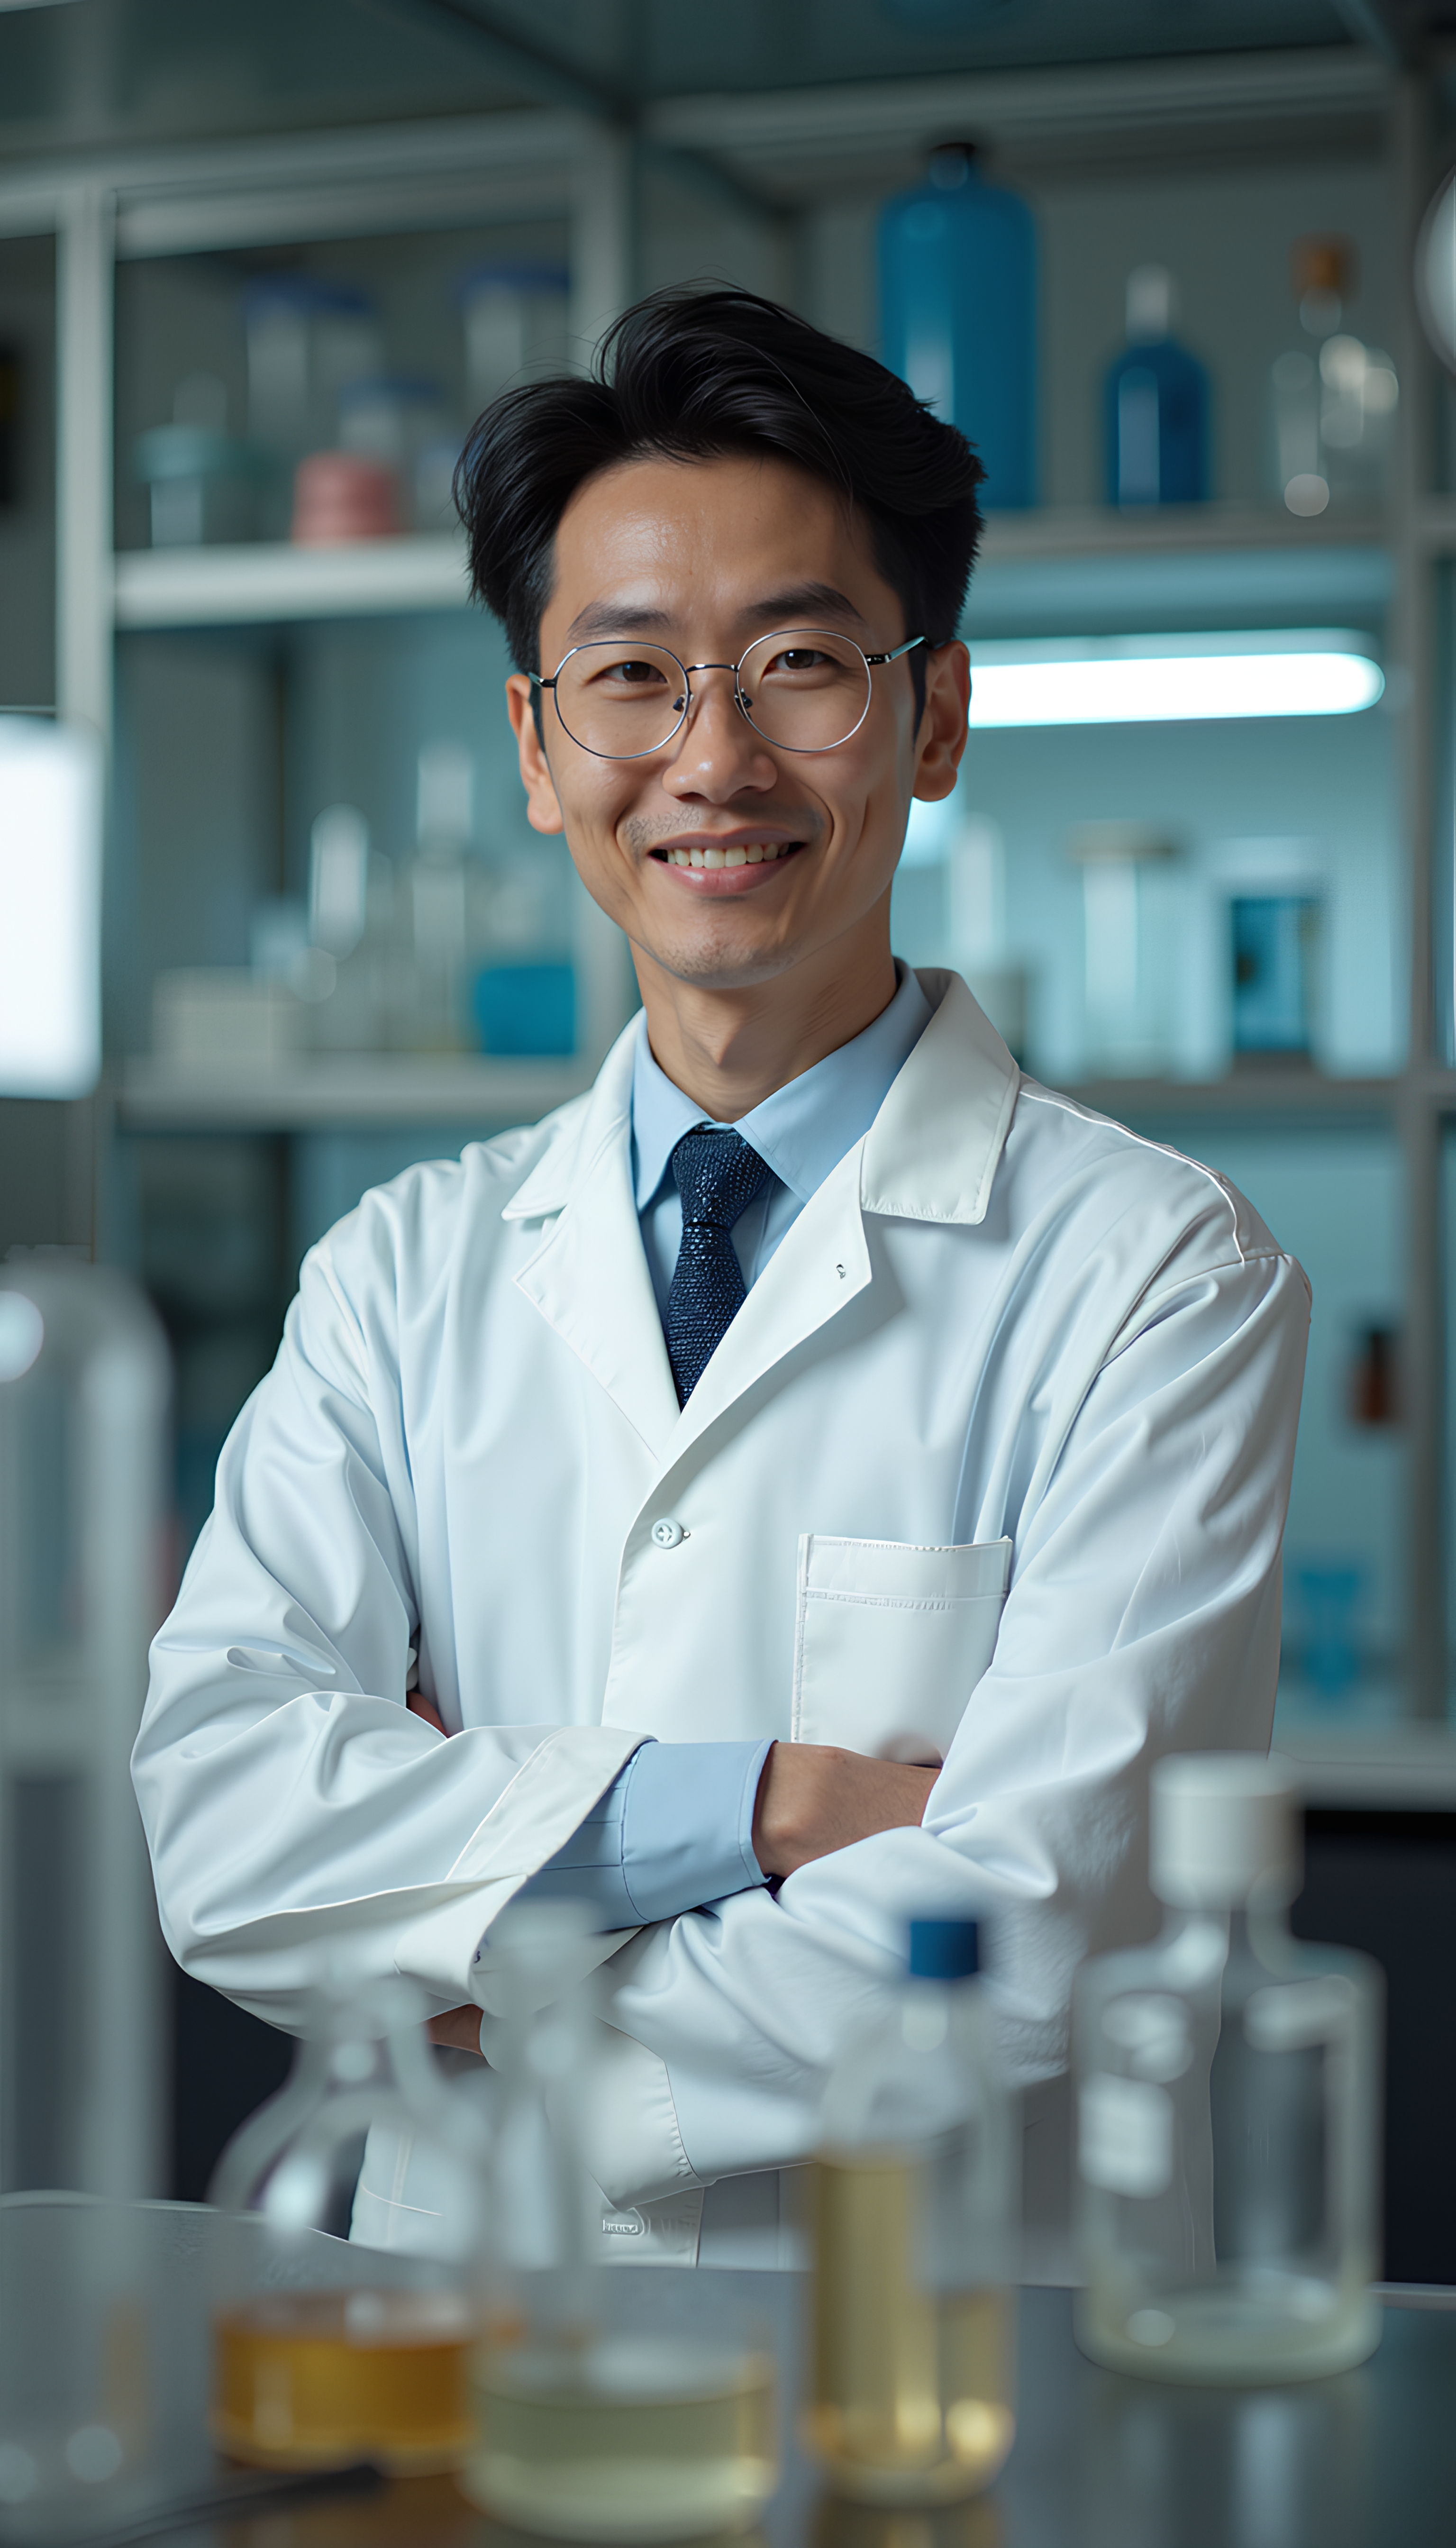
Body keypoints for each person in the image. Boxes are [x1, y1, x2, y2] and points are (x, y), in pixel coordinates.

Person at [133, 288, 1309, 2268]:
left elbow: (1032, 1920)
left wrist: (488, 2000)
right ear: (533, 744)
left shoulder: (1155, 1276)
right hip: (470, 2362)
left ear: (933, 716)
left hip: (946, 2381)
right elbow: (229, 1830)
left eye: (797, 666)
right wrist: (767, 1805)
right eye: (632, 677)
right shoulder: (404, 1276)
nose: (712, 756)